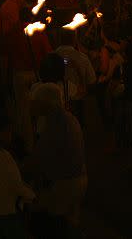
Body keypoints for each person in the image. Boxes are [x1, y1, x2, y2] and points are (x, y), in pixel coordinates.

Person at [30, 85, 87, 238]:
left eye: (35, 102)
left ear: (46, 103)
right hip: (77, 179)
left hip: (64, 185)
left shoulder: (55, 123)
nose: (31, 106)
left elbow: (41, 159)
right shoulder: (67, 118)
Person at [0, 114, 35, 239]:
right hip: (6, 210)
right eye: (8, 131)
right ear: (0, 133)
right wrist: (32, 196)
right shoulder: (4, 156)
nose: (11, 134)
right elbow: (15, 184)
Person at [54, 29, 96, 124]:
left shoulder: (52, 56)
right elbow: (91, 80)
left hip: (57, 101)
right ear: (74, 39)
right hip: (76, 102)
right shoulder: (82, 58)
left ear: (59, 39)